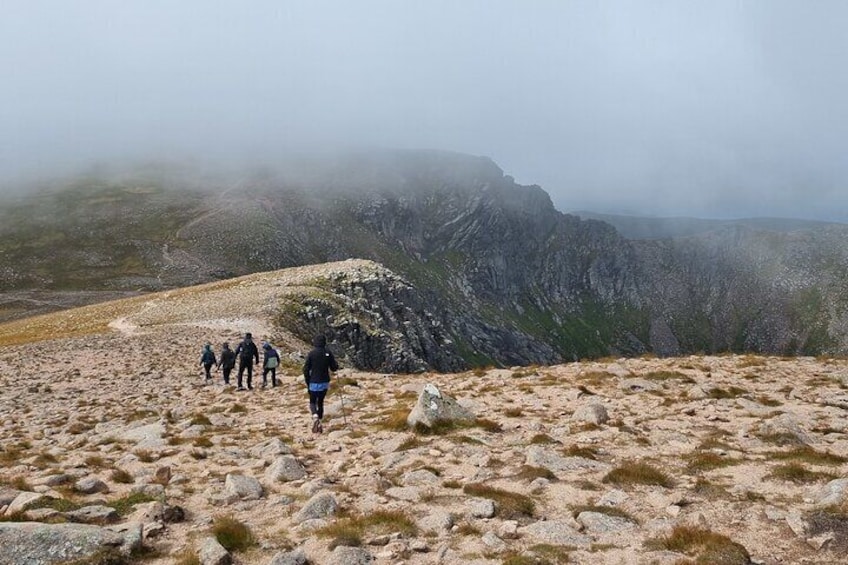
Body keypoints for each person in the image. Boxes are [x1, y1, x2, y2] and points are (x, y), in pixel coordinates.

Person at [302, 334, 338, 433]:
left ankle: (315, 416)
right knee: (320, 402)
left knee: (312, 401)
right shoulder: (328, 353)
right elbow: (334, 367)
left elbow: (305, 369)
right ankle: (320, 421)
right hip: (325, 382)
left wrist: (307, 381)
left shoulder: (311, 353)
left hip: (313, 381)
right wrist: (336, 365)